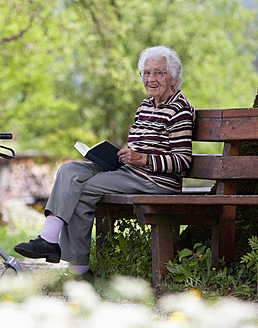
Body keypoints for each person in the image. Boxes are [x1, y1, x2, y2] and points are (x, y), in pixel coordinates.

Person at [14, 46, 195, 276]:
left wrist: (142, 159)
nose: (151, 79)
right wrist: (122, 154)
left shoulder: (180, 110)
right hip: (132, 171)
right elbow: (137, 144)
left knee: (83, 189)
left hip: (154, 180)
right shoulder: (145, 106)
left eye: (158, 73)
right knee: (70, 170)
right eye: (146, 73)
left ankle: (78, 269)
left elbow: (182, 161)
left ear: (173, 78)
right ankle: (48, 238)